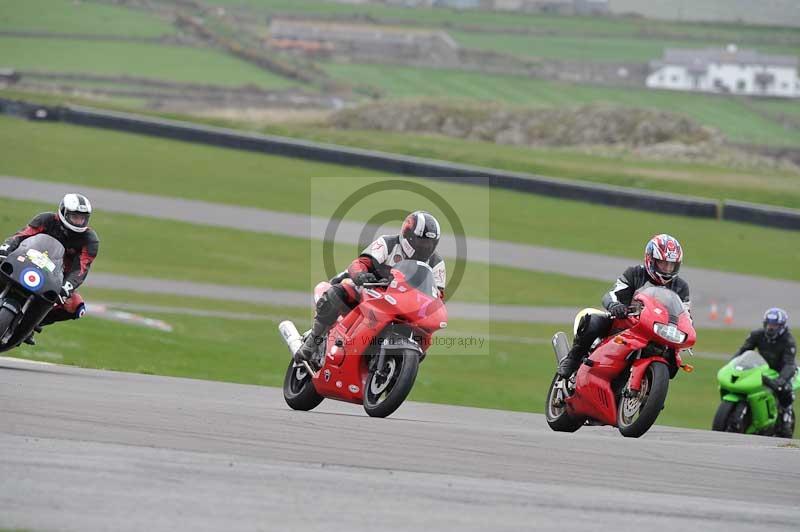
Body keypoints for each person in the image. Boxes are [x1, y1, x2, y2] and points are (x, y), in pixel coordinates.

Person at [294, 210, 445, 364]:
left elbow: (437, 295)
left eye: (430, 243)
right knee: (337, 293)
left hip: (405, 307)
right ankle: (313, 341)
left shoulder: (436, 263)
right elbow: (360, 263)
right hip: (371, 293)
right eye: (421, 241)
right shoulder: (388, 243)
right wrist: (361, 275)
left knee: (425, 334)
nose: (426, 247)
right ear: (408, 236)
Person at [557, 233, 689, 378]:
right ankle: (572, 359)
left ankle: (649, 396)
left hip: (658, 332)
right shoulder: (635, 273)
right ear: (650, 259)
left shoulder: (680, 287)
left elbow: (685, 316)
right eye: (663, 263)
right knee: (593, 321)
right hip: (626, 324)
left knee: (674, 361)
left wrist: (686, 332)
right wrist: (615, 305)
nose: (667, 269)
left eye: (672, 265)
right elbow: (612, 294)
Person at [0, 193, 99, 345]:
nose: (79, 221)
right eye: (75, 217)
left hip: (55, 278)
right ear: (63, 212)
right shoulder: (46, 219)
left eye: (82, 218)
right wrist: (5, 249)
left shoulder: (90, 239)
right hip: (27, 262)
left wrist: (67, 287)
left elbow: (81, 269)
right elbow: (21, 236)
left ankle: (34, 323)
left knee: (76, 306)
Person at [732, 308, 797, 437]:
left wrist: (781, 380)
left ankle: (785, 418)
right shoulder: (757, 334)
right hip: (762, 368)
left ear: (782, 326)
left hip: (782, 371)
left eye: (774, 325)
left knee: (785, 390)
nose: (770, 328)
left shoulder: (788, 341)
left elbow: (789, 363)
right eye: (768, 324)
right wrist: (732, 365)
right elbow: (743, 351)